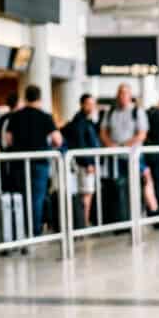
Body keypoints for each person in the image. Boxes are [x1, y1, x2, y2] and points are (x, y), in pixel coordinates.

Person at [5, 85, 62, 238]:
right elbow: (58, 140)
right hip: (39, 163)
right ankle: (33, 232)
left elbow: (8, 140)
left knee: (22, 196)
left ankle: (20, 231)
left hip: (18, 162)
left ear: (25, 97)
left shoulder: (15, 116)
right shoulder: (45, 116)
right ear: (40, 98)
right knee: (36, 198)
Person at [99, 83, 159, 218]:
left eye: (125, 93)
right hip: (115, 158)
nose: (122, 96)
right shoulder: (110, 113)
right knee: (119, 188)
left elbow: (142, 134)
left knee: (145, 181)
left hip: (134, 156)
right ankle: (122, 216)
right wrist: (112, 146)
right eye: (120, 93)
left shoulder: (137, 112)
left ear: (130, 95)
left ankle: (153, 210)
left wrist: (124, 146)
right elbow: (103, 132)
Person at [61, 93, 101, 228]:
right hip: (84, 164)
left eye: (93, 104)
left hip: (84, 162)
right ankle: (83, 223)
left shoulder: (86, 121)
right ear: (82, 105)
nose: (92, 107)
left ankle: (83, 222)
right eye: (89, 104)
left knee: (86, 193)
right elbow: (80, 143)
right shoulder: (80, 122)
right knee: (86, 193)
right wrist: (88, 162)